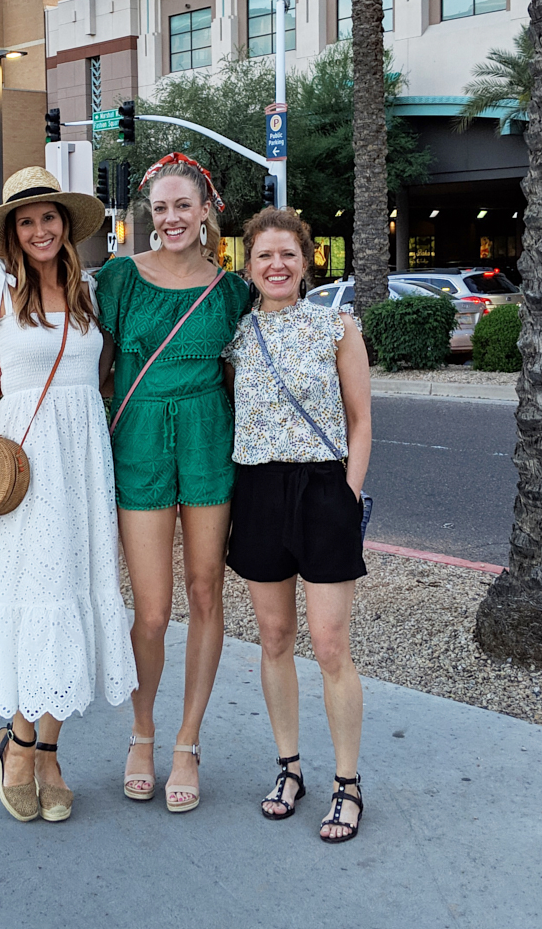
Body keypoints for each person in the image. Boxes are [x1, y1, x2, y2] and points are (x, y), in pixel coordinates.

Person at [0, 166, 137, 825]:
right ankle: (19, 745)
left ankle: (47, 751)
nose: (39, 230)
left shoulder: (87, 291)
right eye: (26, 222)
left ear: (66, 224)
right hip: (23, 471)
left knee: (74, 596)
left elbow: (103, 377)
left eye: (48, 218)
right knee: (37, 600)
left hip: (82, 464)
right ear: (10, 234)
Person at [95, 154, 251, 813]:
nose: (171, 219)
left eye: (183, 205)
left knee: (205, 591)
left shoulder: (234, 290)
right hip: (139, 445)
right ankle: (142, 732)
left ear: (207, 209)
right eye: (160, 208)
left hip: (210, 442)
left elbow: (257, 375)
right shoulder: (121, 279)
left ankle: (187, 741)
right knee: (153, 610)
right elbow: (86, 361)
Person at [222, 207, 372, 843]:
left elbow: (361, 420)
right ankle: (289, 768)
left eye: (287, 254)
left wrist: (348, 493)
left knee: (330, 644)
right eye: (263, 256)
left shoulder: (337, 327)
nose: (276, 265)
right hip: (256, 489)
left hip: (322, 489)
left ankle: (347, 783)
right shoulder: (234, 334)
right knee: (275, 637)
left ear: (307, 262)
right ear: (248, 266)